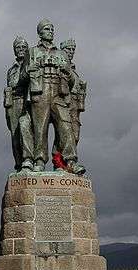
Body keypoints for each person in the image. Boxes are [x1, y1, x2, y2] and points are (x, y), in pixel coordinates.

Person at [21, 19, 85, 174]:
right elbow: (22, 78)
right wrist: (30, 69)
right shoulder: (32, 51)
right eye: (47, 29)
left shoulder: (61, 53)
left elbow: (71, 81)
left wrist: (67, 72)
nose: (51, 31)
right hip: (40, 93)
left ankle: (70, 161)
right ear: (40, 32)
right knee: (40, 129)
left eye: (52, 29)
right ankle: (39, 161)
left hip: (58, 93)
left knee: (65, 127)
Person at [3, 36, 34, 172]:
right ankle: (19, 165)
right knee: (15, 137)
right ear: (14, 51)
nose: (21, 50)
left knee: (25, 128)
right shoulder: (11, 70)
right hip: (12, 104)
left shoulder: (30, 64)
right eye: (18, 47)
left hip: (27, 101)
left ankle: (29, 160)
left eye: (23, 47)